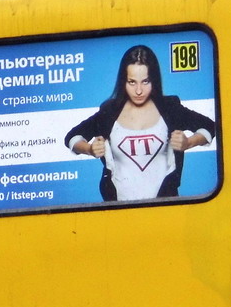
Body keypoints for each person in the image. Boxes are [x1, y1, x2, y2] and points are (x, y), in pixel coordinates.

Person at [64, 44, 215, 201]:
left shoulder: (170, 108)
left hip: (166, 209)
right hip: (118, 211)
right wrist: (89, 149)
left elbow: (209, 126)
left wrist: (189, 142)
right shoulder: (109, 112)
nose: (138, 90)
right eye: (132, 82)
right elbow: (72, 137)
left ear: (154, 81)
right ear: (123, 81)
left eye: (145, 81)